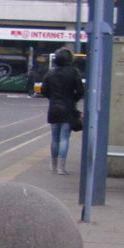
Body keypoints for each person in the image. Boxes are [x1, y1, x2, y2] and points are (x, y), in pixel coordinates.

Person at [41, 47, 84, 175]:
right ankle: (61, 167)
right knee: (64, 138)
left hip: (54, 108)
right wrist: (73, 100)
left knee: (54, 138)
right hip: (68, 108)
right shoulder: (74, 72)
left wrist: (52, 98)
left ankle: (53, 165)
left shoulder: (50, 73)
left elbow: (44, 90)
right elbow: (80, 91)